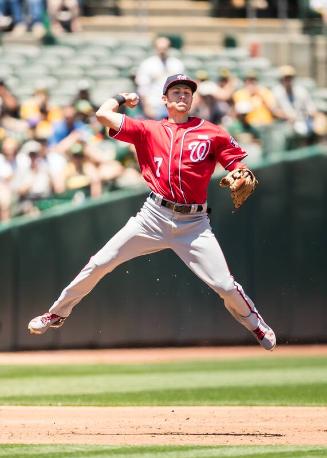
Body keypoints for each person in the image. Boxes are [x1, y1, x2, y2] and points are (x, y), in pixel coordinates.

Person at [28, 73, 276, 351]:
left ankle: (255, 324)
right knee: (99, 263)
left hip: (194, 223)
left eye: (186, 92)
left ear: (192, 99)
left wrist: (241, 174)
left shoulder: (212, 132)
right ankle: (57, 313)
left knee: (225, 285)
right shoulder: (148, 130)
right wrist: (123, 97)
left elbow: (238, 166)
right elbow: (102, 114)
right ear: (164, 98)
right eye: (176, 91)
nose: (182, 96)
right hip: (153, 217)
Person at [135, 36, 184, 120]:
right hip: (154, 104)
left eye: (165, 48)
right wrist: (147, 106)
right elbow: (143, 87)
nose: (162, 50)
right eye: (160, 48)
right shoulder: (147, 64)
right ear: (155, 48)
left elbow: (182, 85)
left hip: (172, 104)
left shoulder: (177, 64)